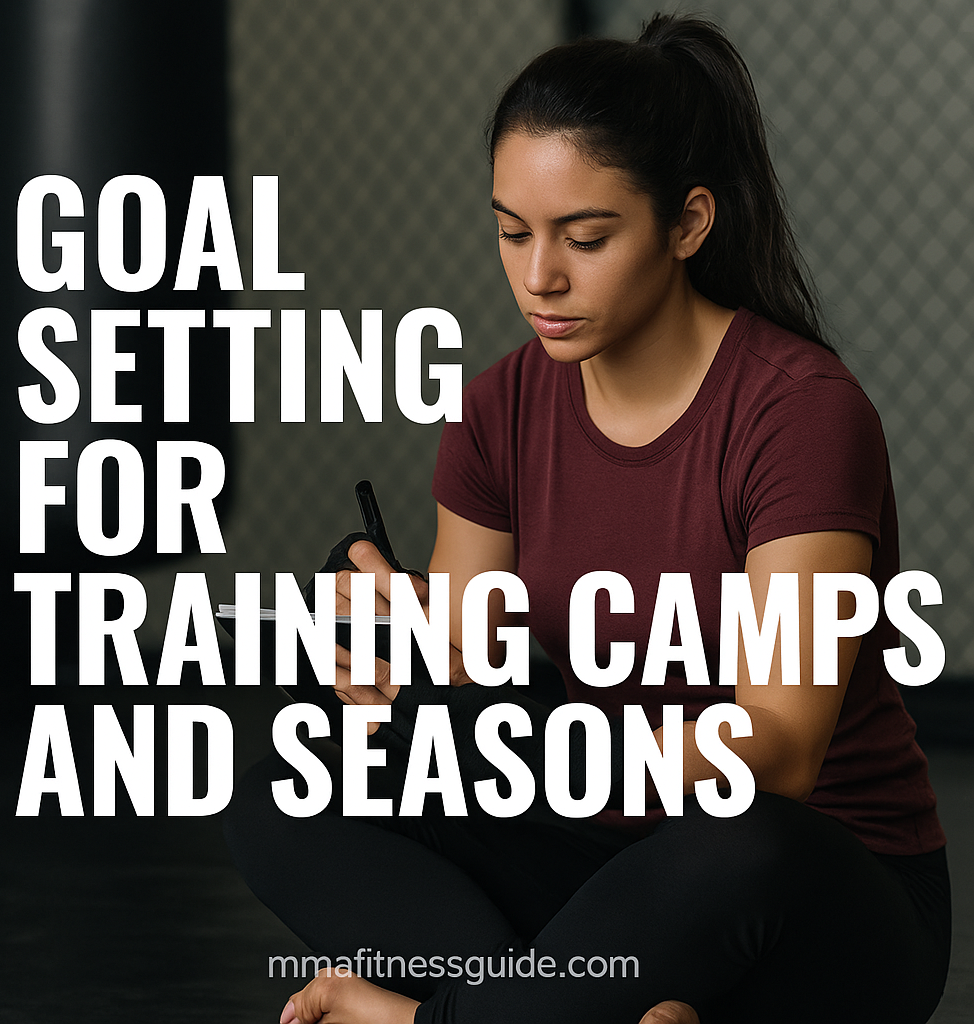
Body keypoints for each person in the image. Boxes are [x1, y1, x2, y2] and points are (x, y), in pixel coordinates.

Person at [224, 14, 950, 1024]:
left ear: (687, 223)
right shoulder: (497, 410)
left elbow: (780, 746)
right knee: (286, 793)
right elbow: (472, 672)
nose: (539, 279)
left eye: (585, 237)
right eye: (512, 232)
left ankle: (436, 1017)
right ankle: (594, 1007)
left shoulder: (800, 413)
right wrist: (394, 645)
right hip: (602, 860)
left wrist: (552, 755)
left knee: (741, 837)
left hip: (812, 885)